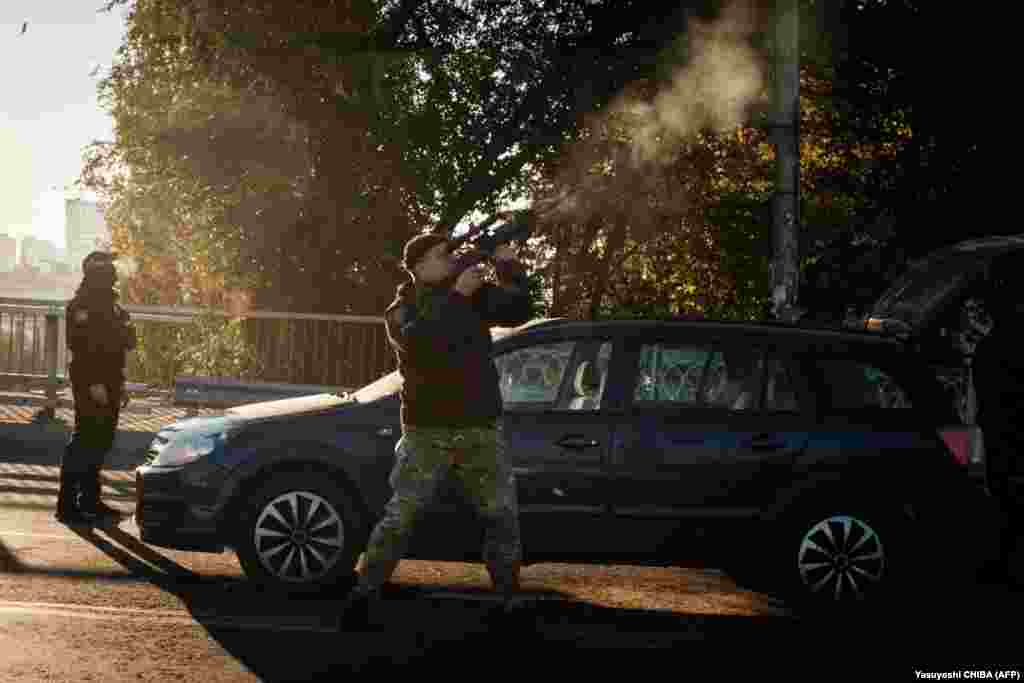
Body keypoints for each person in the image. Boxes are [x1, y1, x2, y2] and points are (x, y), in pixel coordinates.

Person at [340, 233, 533, 628]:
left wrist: (508, 266)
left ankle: (510, 600)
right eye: (443, 255)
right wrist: (459, 297)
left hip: (479, 424)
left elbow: (518, 310)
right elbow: (422, 343)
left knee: (500, 515)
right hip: (427, 429)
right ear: (420, 265)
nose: (452, 259)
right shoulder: (402, 309)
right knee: (401, 516)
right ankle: (364, 594)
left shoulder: (471, 295)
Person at [55, 251, 136, 524]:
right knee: (84, 440)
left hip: (111, 379)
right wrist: (95, 383)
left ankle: (90, 500)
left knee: (101, 441)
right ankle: (66, 505)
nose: (114, 272)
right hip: (92, 380)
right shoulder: (81, 305)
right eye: (109, 267)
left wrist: (120, 383)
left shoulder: (111, 304)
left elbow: (124, 344)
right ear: (96, 272)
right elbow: (81, 347)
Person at [971, 263, 1024, 587]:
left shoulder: (990, 349)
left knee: (1005, 503)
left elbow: (986, 401)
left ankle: (1001, 566)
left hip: (1001, 435)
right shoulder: (998, 347)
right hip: (1005, 434)